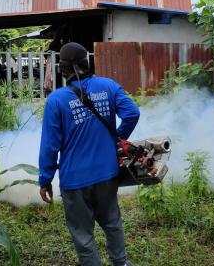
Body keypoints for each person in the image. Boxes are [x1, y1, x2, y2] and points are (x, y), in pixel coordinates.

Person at [39, 42, 140, 266]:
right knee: (112, 222)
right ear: (87, 62)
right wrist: (118, 137)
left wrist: (44, 180)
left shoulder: (56, 100)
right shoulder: (109, 86)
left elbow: (49, 146)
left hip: (75, 182)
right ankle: (121, 263)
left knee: (83, 235)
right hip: (107, 173)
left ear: (62, 69)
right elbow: (132, 113)